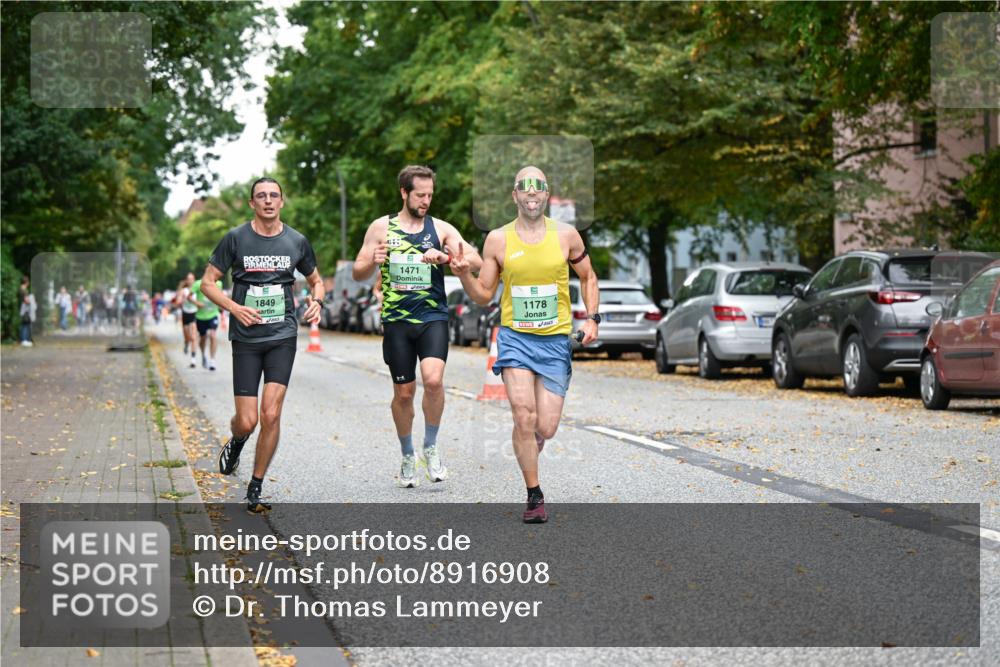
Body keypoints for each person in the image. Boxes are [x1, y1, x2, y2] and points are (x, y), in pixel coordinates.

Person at [450, 166, 599, 523]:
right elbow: (484, 295)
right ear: (515, 195)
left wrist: (592, 318)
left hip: (554, 340)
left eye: (538, 190)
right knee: (523, 414)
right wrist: (464, 275)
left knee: (544, 427)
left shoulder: (567, 236)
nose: (531, 195)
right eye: (524, 190)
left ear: (546, 195)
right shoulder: (498, 240)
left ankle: (531, 441)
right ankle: (534, 496)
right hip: (515, 338)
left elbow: (589, 276)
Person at [353, 165, 482, 488]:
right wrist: (373, 260)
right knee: (404, 393)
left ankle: (432, 446)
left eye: (429, 196)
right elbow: (358, 271)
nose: (426, 201)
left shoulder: (439, 228)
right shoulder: (381, 228)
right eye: (420, 195)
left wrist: (452, 259)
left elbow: (475, 259)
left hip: (432, 317)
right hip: (397, 322)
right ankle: (408, 454)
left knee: (434, 381)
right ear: (404, 193)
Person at [201, 177, 324, 512]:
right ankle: (238, 440)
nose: (268, 201)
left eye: (274, 195)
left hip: (282, 335)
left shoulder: (296, 241)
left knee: (271, 413)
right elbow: (207, 283)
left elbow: (316, 280)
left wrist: (318, 300)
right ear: (252, 203)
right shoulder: (235, 238)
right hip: (245, 338)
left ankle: (255, 486)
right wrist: (235, 308)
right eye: (261, 196)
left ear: (282, 202)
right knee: (248, 420)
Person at [190, 277, 222, 370]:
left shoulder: (219, 283)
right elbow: (188, 297)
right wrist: (197, 303)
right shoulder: (197, 284)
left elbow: (220, 296)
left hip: (213, 314)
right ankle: (203, 354)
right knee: (203, 338)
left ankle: (212, 361)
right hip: (201, 316)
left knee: (212, 335)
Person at [177, 273, 198, 366]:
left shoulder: (197, 290)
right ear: (187, 280)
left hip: (194, 313)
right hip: (185, 314)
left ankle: (193, 359)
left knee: (193, 337)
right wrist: (182, 300)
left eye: (192, 279)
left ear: (194, 280)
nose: (190, 281)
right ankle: (186, 343)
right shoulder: (183, 291)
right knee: (187, 337)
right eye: (188, 279)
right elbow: (178, 302)